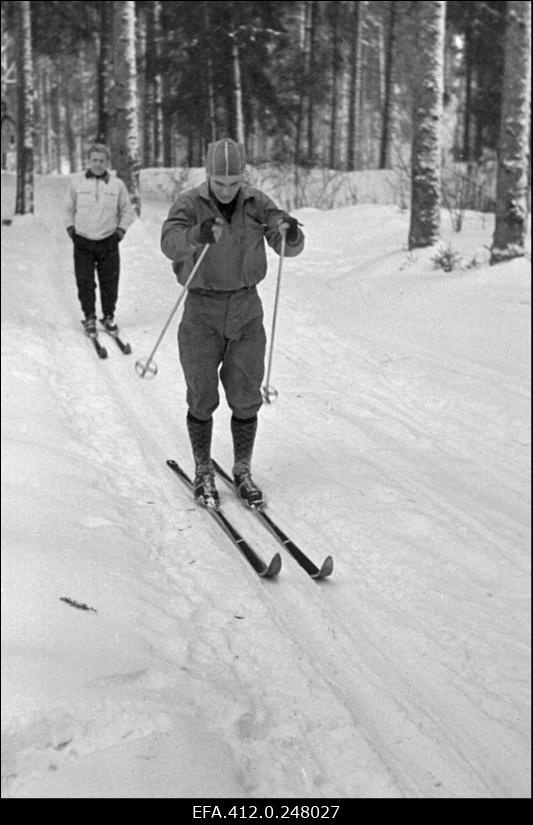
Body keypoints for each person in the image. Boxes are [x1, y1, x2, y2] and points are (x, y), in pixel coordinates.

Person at [160, 137, 304, 509]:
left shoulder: (257, 203)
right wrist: (197, 234)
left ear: (244, 176)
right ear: (207, 175)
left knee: (245, 394)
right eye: (219, 182)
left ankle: (242, 469)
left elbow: (283, 242)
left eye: (233, 182)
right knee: (202, 393)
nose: (226, 190)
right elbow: (170, 243)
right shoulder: (190, 204)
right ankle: (203, 470)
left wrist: (292, 232)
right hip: (201, 309)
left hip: (245, 307)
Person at [63, 143, 135, 336]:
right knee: (85, 282)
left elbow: (127, 211)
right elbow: (68, 209)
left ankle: (109, 316)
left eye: (101, 160)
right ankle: (89, 317)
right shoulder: (77, 183)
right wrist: (72, 232)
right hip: (83, 242)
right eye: (94, 160)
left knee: (109, 282)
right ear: (89, 161)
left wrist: (119, 233)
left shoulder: (117, 185)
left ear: (107, 162)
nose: (97, 164)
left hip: (108, 242)